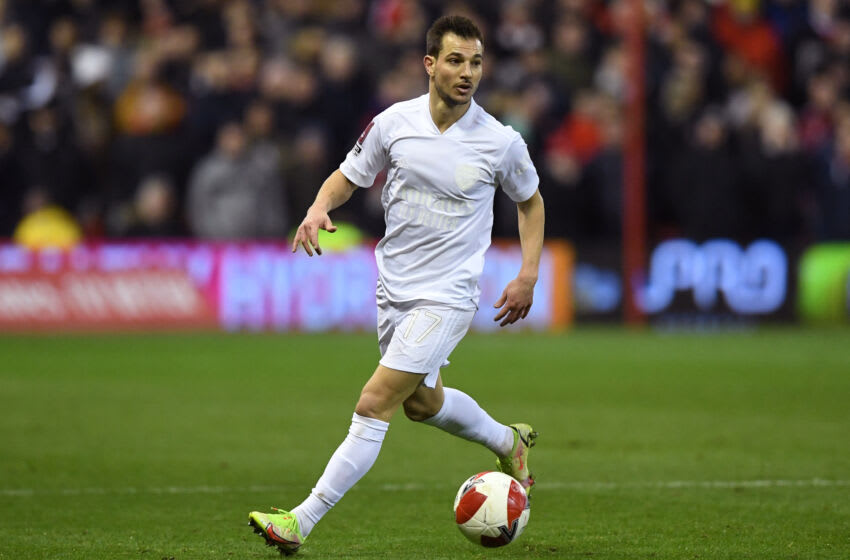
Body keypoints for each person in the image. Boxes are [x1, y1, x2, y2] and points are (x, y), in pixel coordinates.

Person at [248, 15, 545, 555]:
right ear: (429, 64)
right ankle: (509, 440)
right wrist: (318, 207)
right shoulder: (393, 123)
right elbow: (348, 174)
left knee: (375, 401)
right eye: (456, 61)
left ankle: (299, 521)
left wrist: (528, 273)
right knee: (421, 404)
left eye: (476, 62)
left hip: (448, 295)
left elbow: (530, 202)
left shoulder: (500, 142)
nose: (467, 73)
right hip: (395, 290)